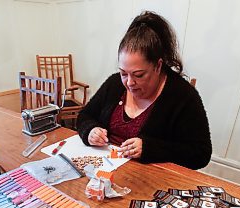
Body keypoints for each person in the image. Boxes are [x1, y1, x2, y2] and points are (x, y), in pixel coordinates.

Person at [77, 11, 212, 170]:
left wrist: (150, 148)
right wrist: (90, 130)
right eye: (123, 73)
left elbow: (200, 154)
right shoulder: (114, 83)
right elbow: (84, 115)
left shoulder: (183, 96)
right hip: (104, 170)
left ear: (158, 66)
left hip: (149, 178)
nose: (129, 83)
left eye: (138, 75)